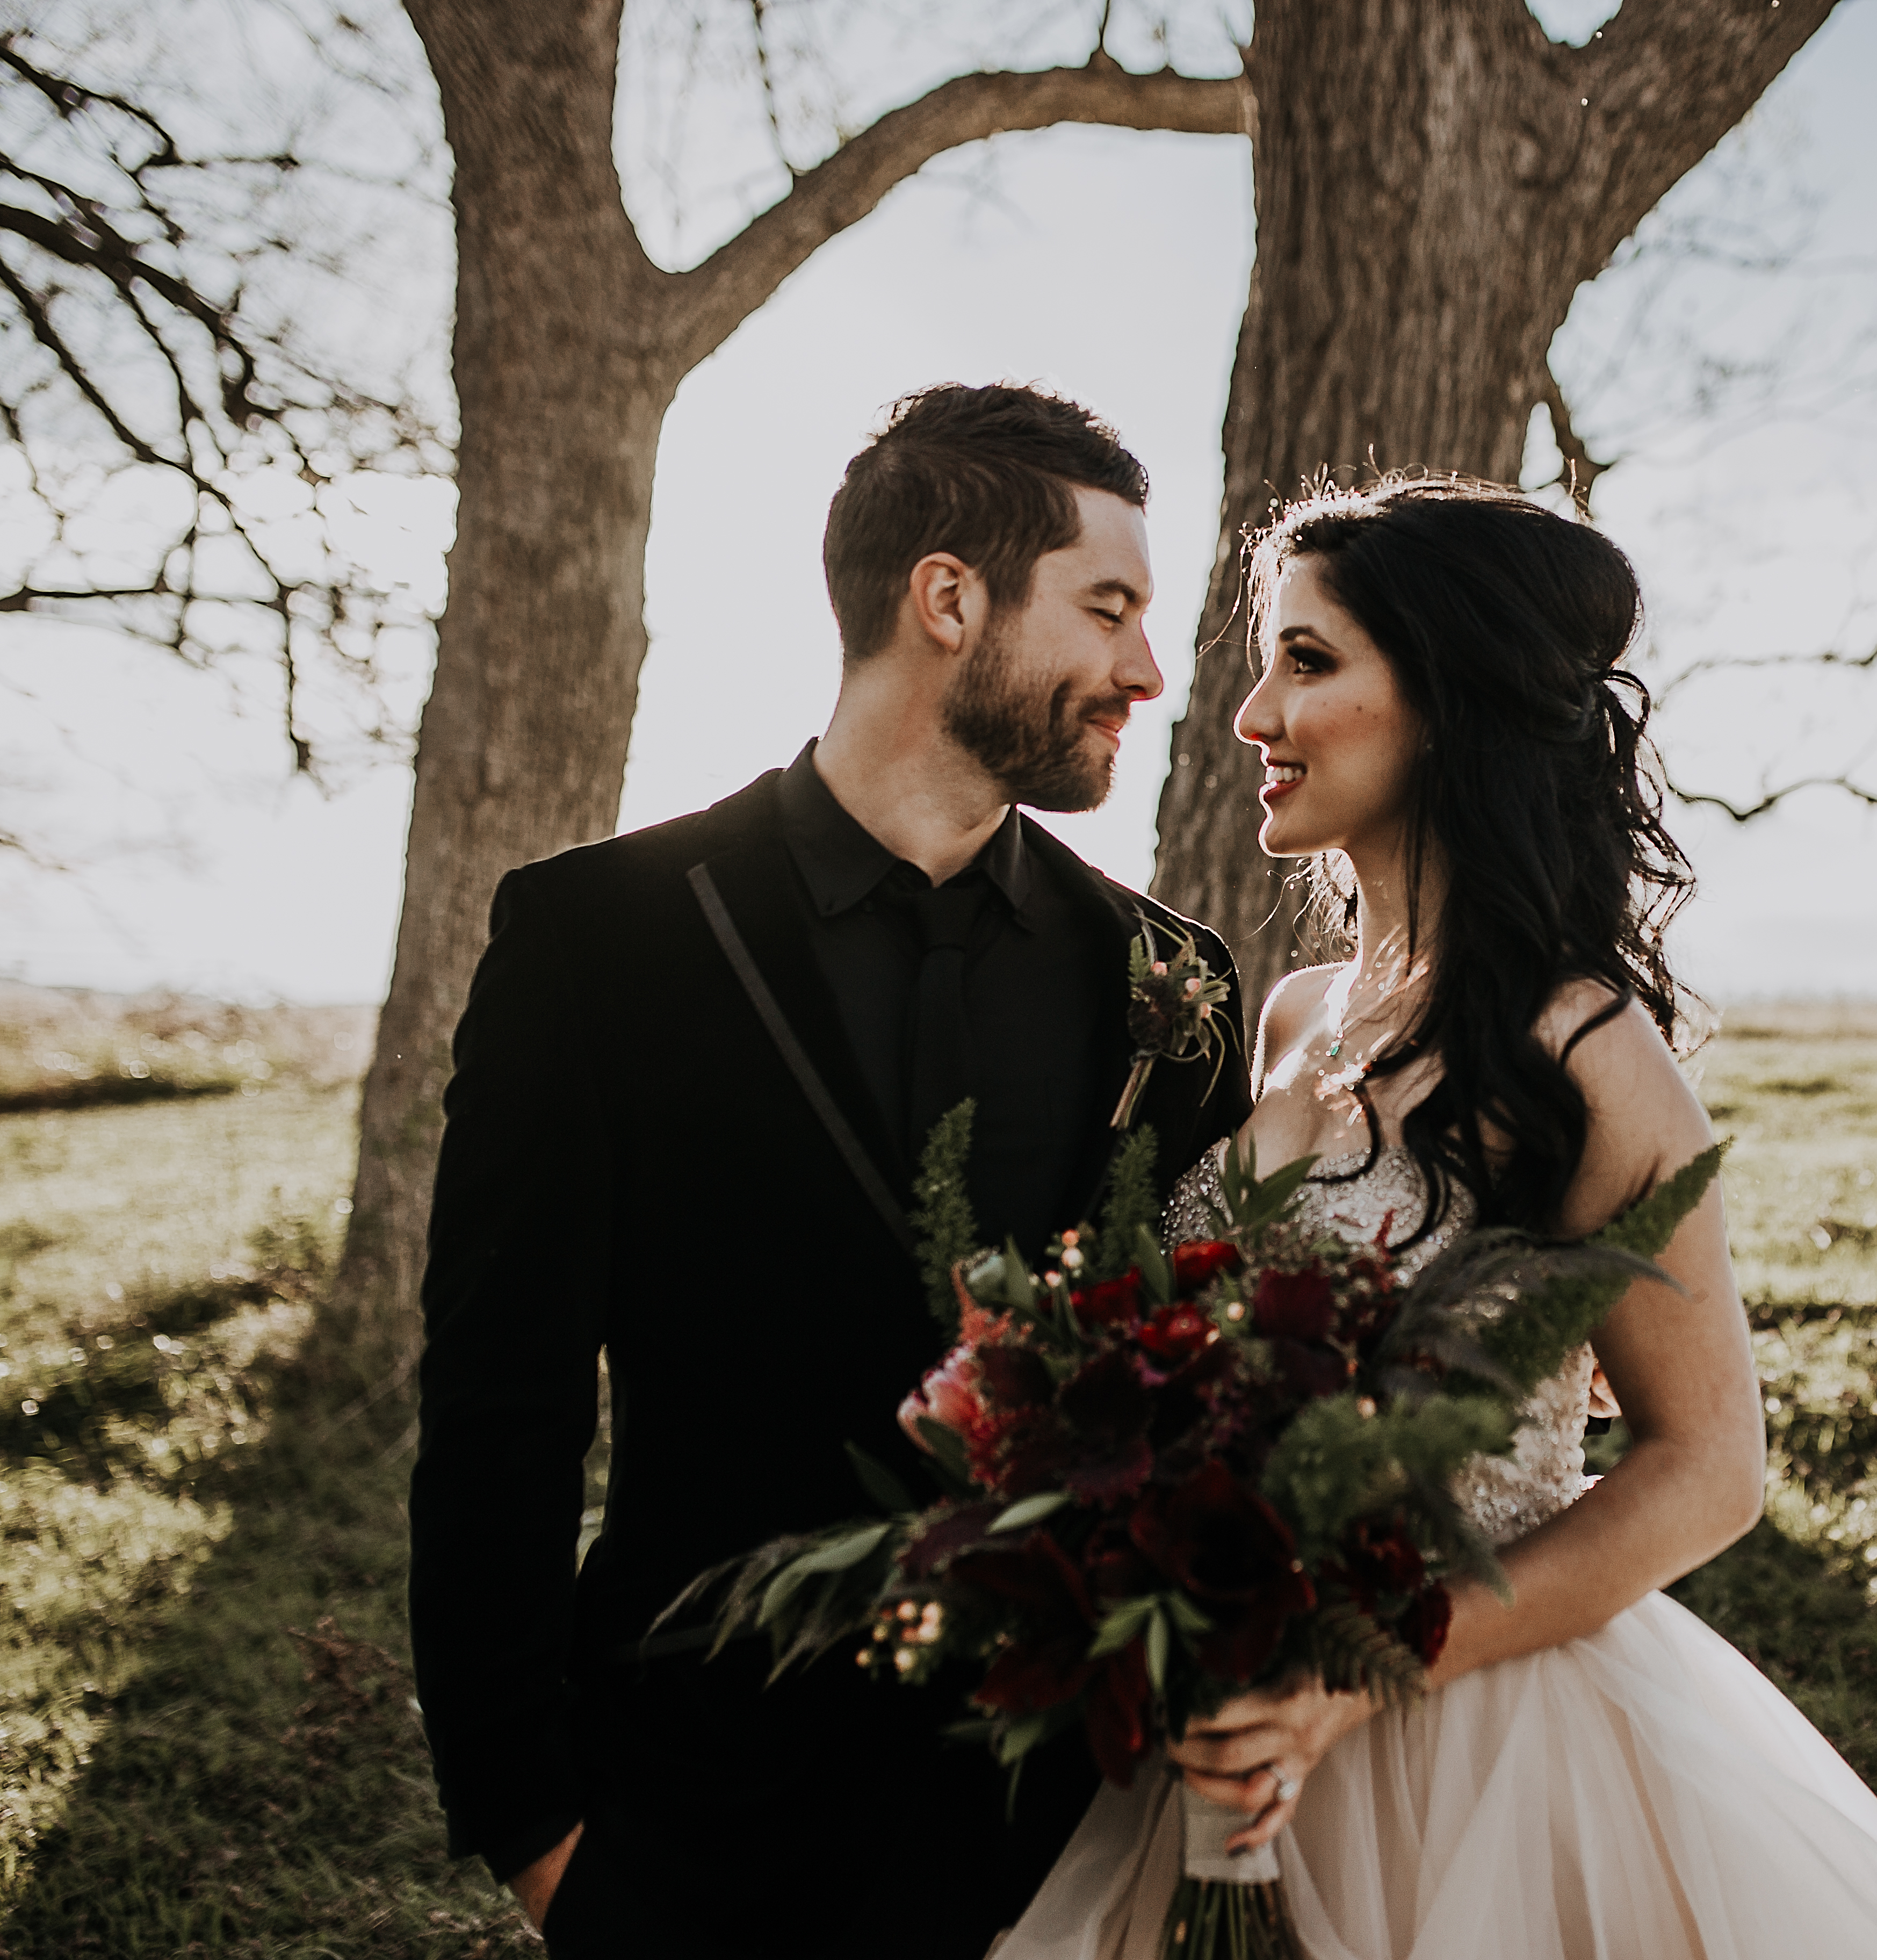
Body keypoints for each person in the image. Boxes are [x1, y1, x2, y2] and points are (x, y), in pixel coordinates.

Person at [994, 477, 1877, 1958]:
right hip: (1221, 1720)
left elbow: (1709, 1467)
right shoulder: (1288, 1018)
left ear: (1450, 700)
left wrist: (1359, 1674)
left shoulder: (1590, 1053)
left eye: (1311, 661)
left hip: (1477, 1734)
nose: (1250, 716)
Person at [407, 383, 1253, 1958]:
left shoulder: (1171, 980)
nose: (1146, 668)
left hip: (1068, 1825)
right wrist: (532, 1826)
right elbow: (497, 1408)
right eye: (1110, 608)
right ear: (949, 597)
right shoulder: (596, 938)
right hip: (693, 1805)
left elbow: (1218, 1404)